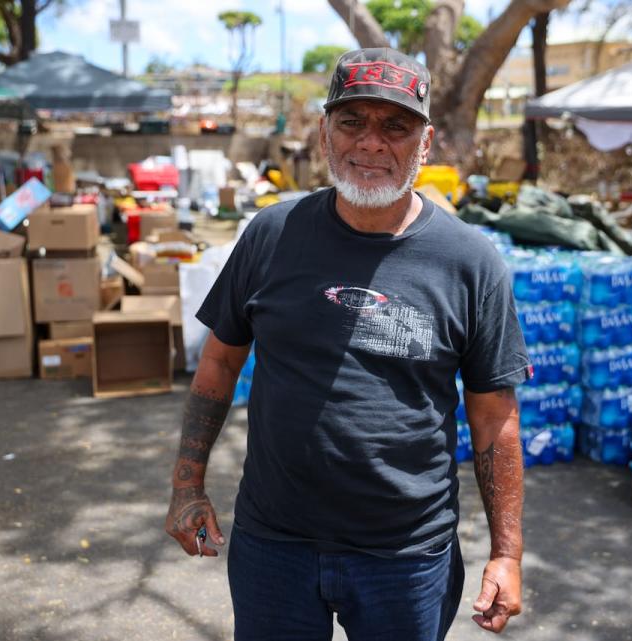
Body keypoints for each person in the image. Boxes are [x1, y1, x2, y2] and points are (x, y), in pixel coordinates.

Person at [165, 47, 532, 640]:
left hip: (407, 557)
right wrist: (187, 486)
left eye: (395, 126)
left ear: (426, 142)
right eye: (352, 122)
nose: (371, 143)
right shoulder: (270, 235)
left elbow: (494, 418)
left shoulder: (470, 262)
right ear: (323, 133)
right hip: (274, 548)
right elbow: (219, 360)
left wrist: (507, 555)